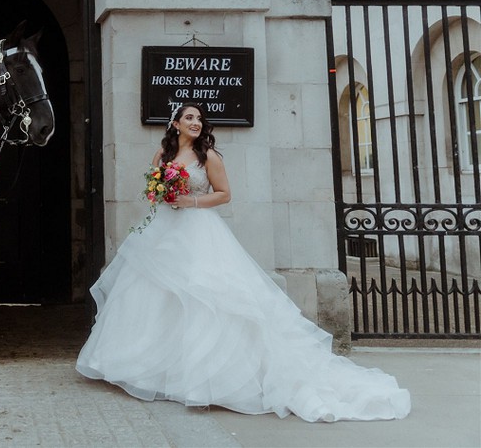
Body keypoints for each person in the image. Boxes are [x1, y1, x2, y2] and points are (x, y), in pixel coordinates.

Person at [76, 103, 411, 422]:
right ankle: (146, 368)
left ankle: (204, 377)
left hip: (197, 231)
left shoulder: (209, 156)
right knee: (154, 295)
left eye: (199, 119)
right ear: (176, 123)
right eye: (189, 117)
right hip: (163, 232)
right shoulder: (163, 155)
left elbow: (224, 194)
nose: (196, 123)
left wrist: (189, 200)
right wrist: (161, 193)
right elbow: (153, 188)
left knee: (204, 297)